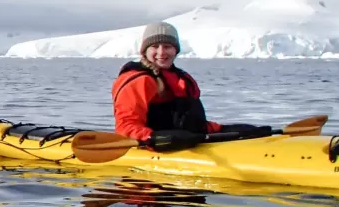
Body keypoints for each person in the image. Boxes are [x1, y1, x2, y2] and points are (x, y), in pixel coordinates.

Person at [111, 22, 267, 151]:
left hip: (189, 142)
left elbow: (190, 122)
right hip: (155, 147)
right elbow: (126, 127)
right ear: (145, 51)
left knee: (251, 132)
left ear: (175, 50)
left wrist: (221, 129)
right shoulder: (137, 80)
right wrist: (153, 138)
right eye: (155, 47)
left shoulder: (182, 78)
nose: (161, 52)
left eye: (167, 46)